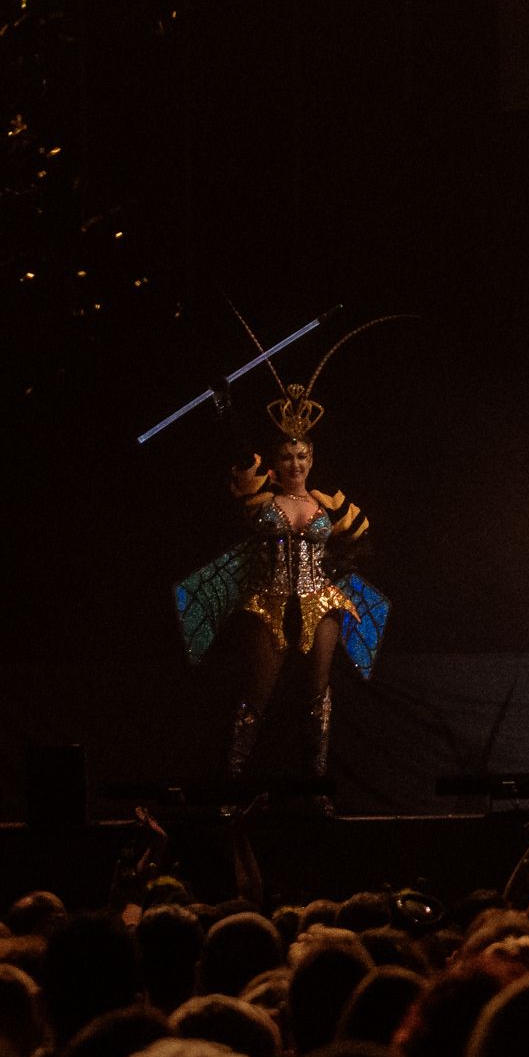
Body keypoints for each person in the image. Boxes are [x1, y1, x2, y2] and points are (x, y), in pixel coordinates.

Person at [173, 314, 403, 782]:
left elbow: (363, 543)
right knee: (257, 692)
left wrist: (342, 561)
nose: (295, 463)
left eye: (302, 456)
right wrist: (225, 411)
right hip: (269, 599)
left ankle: (315, 784)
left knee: (318, 695)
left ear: (312, 458)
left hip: (321, 600)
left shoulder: (328, 506)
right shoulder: (263, 496)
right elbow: (240, 456)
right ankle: (232, 781)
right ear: (275, 460)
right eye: (286, 456)